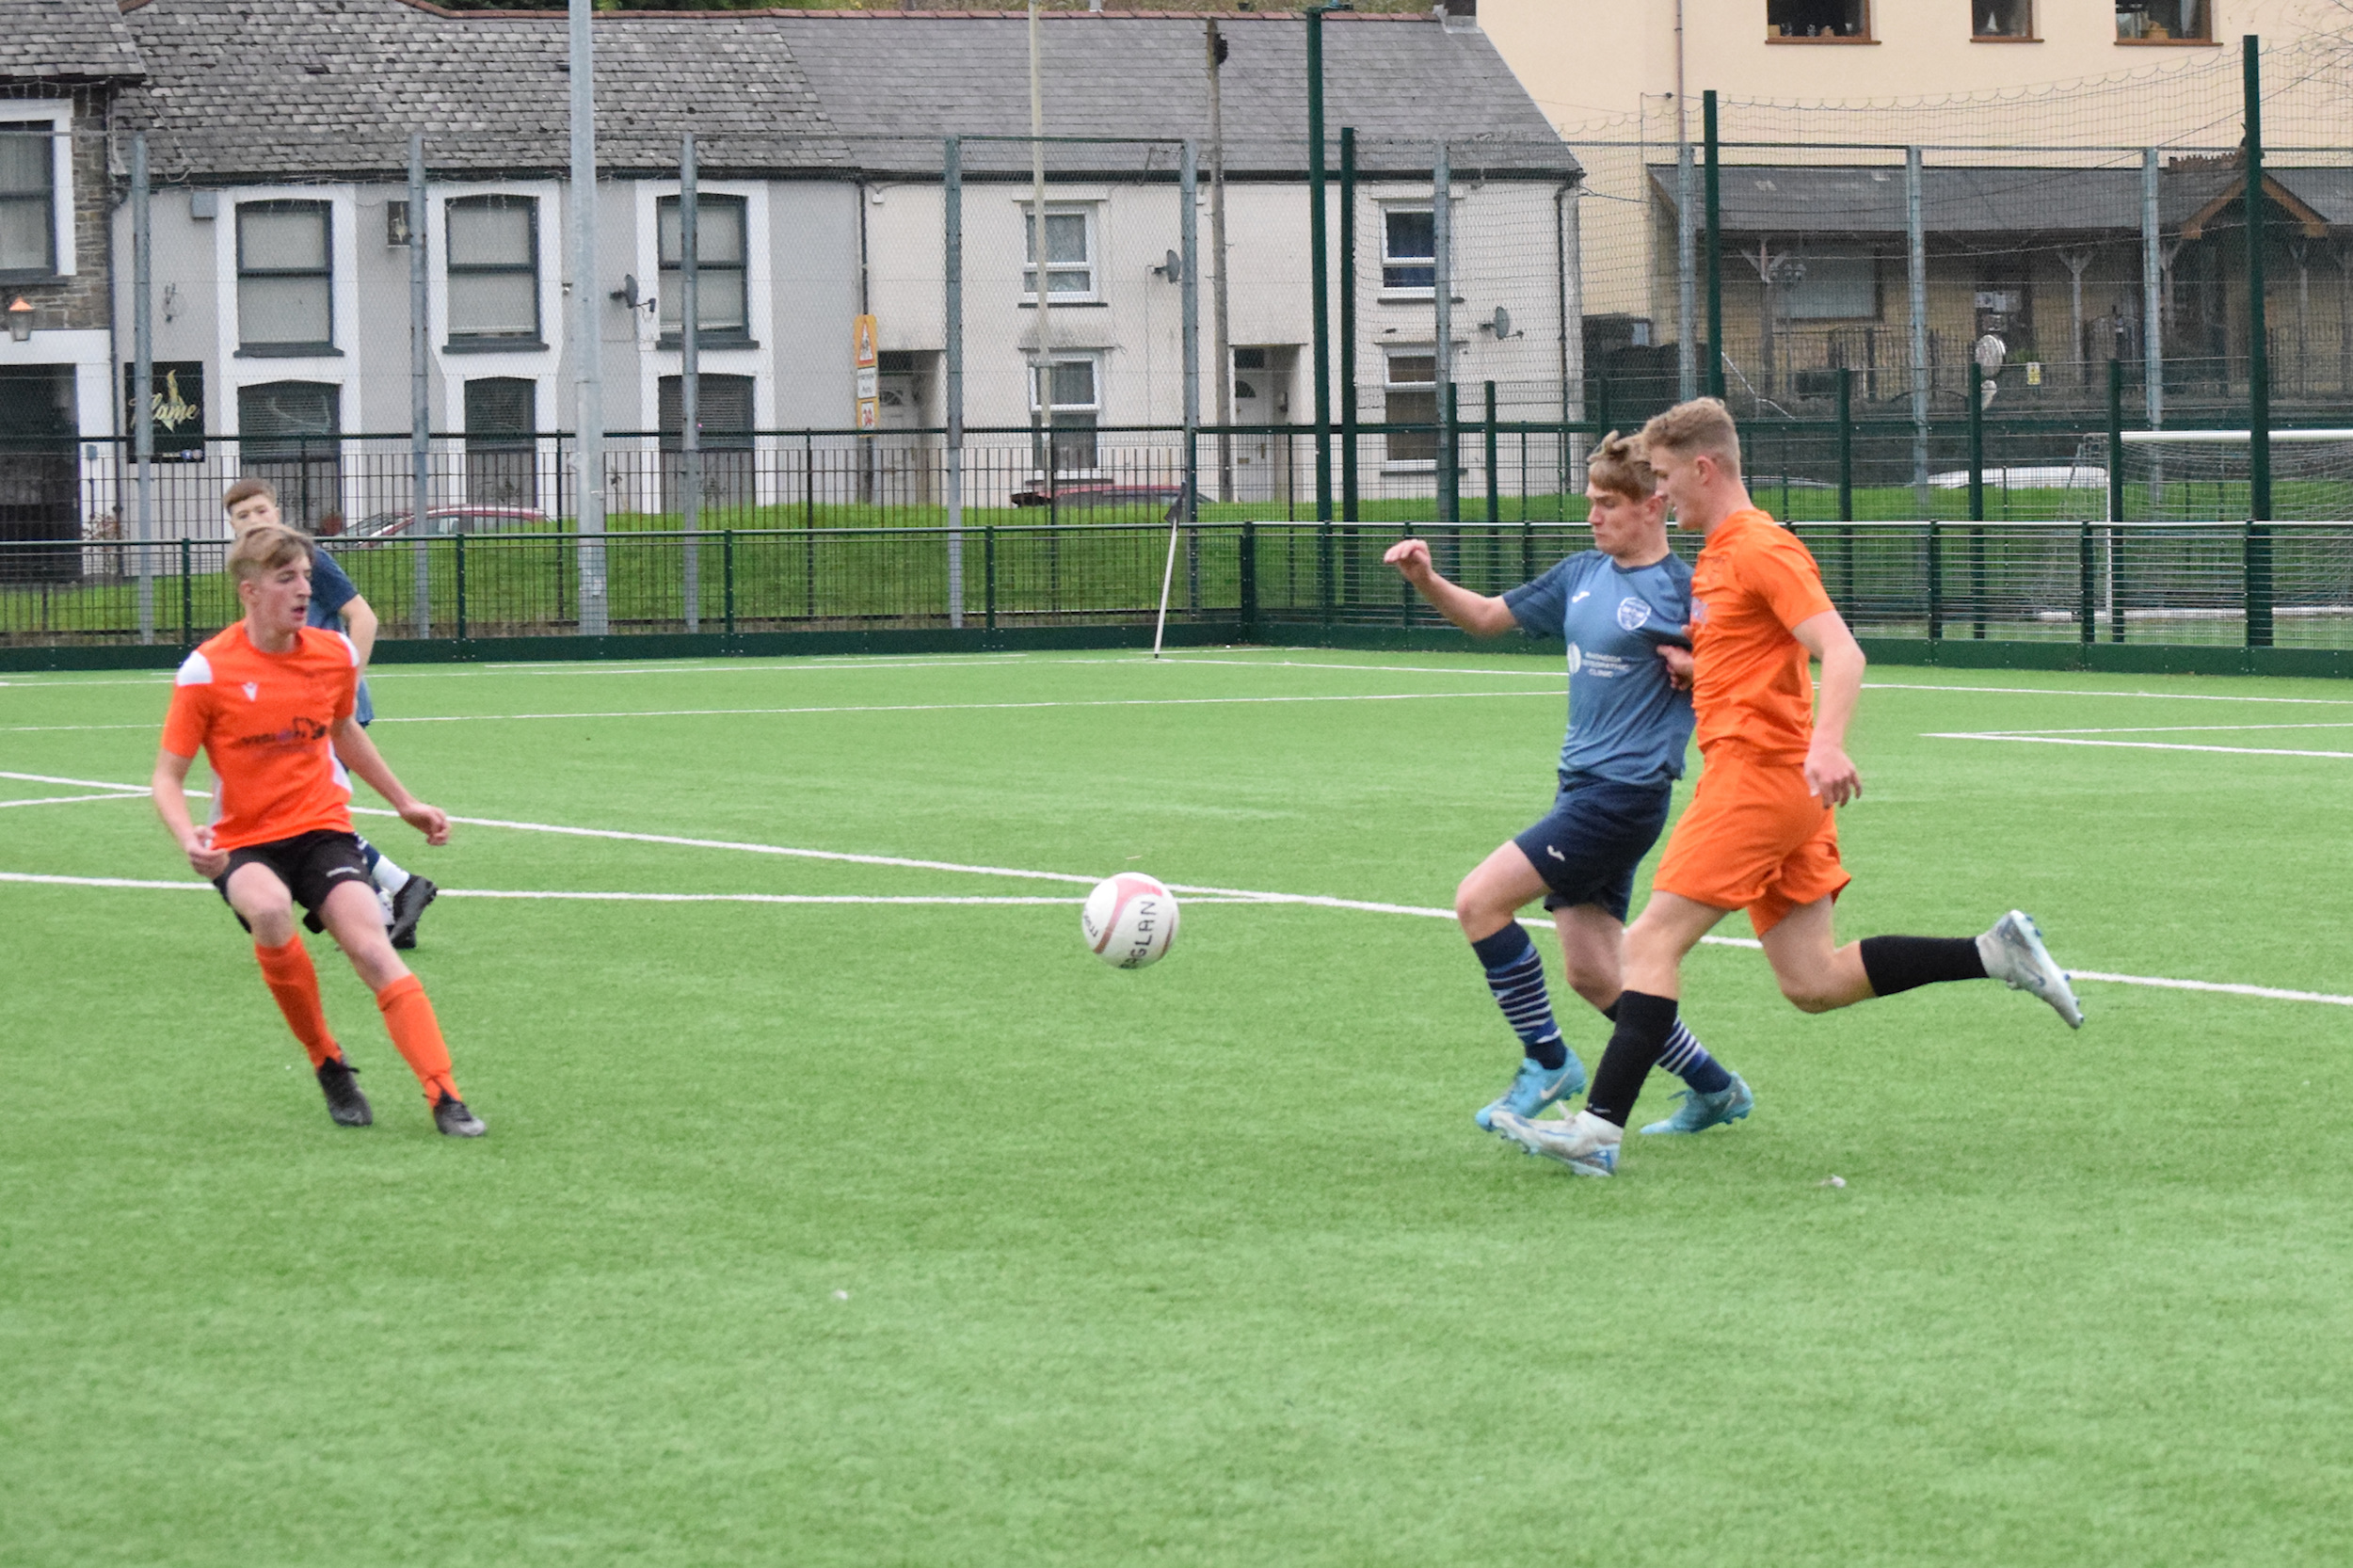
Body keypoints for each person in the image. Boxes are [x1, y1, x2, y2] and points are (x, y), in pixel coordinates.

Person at [1493, 399, 2078, 1178]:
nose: (1660, 495)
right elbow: (1759, 653)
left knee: (1648, 946)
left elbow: (1841, 651)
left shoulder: (1761, 546)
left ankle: (1597, 1130)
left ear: (1705, 469)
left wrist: (1827, 745)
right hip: (1777, 786)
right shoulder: (1718, 553)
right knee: (1813, 981)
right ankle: (1993, 953)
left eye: (1665, 479)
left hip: (1759, 780)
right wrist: (1705, 671)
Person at [1383, 431, 1748, 1142]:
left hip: (1626, 795)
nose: (1593, 515)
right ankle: (1715, 1087)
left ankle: (1548, 1063)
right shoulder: (1580, 573)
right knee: (1595, 975)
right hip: (1580, 790)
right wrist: (1426, 578)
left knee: (1478, 902)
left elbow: (1754, 668)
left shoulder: (1688, 590)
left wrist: (1703, 671)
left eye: (1608, 503)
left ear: (1652, 506)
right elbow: (1488, 618)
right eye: (1589, 503)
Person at [151, 522, 485, 1137]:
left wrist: (405, 801)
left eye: (306, 575)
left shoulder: (333, 654)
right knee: (271, 910)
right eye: (287, 579)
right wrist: (187, 837)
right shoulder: (206, 670)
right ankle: (327, 1061)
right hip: (245, 842)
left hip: (322, 830)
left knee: (371, 944)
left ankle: (446, 1096)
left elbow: (344, 730)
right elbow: (167, 778)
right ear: (250, 591)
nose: (305, 589)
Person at [223, 479, 439, 949]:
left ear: (277, 511)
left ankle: (392, 894)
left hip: (328, 707)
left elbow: (364, 617)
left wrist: (348, 681)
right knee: (303, 812)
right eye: (243, 517)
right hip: (300, 705)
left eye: (262, 511)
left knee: (306, 817)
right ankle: (393, 893)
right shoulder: (260, 576)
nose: (255, 521)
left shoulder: (309, 562)